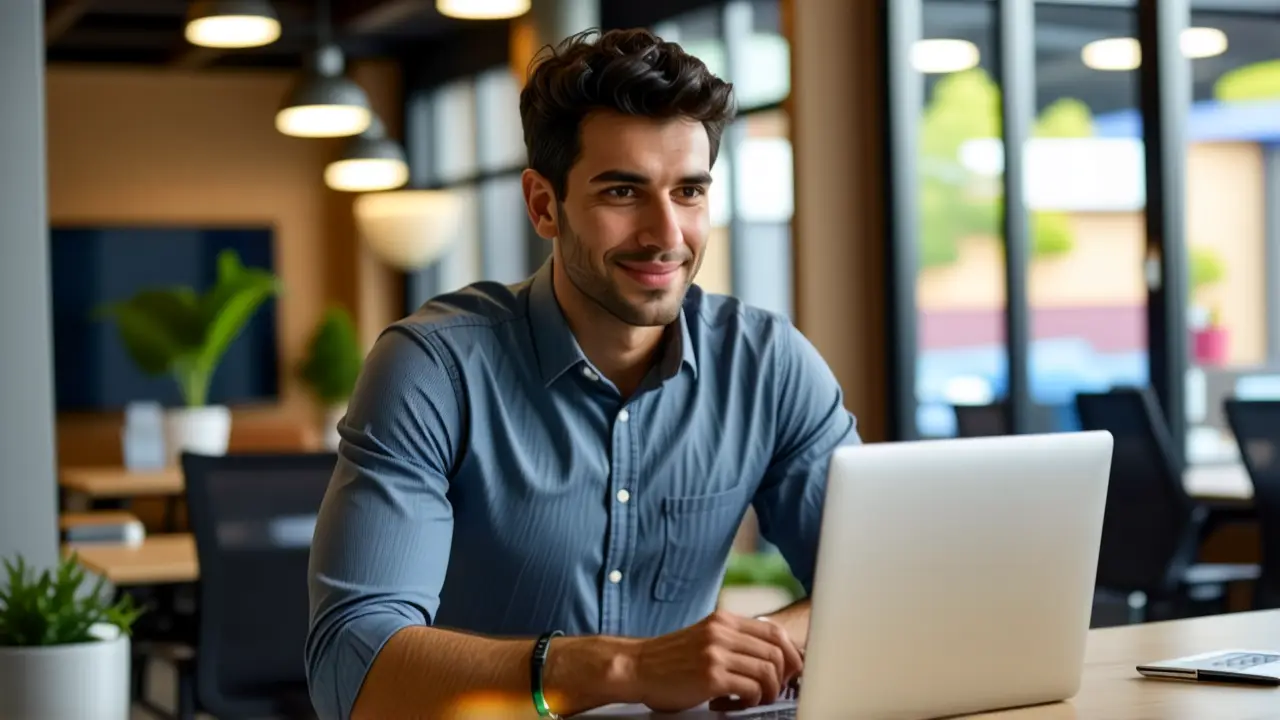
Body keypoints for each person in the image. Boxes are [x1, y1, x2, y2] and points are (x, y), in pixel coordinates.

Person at [305, 27, 860, 720]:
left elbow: (876, 584)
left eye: (689, 192)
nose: (666, 234)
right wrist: (624, 668)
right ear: (544, 205)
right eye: (624, 192)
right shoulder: (433, 370)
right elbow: (351, 669)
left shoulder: (767, 364)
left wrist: (765, 645)